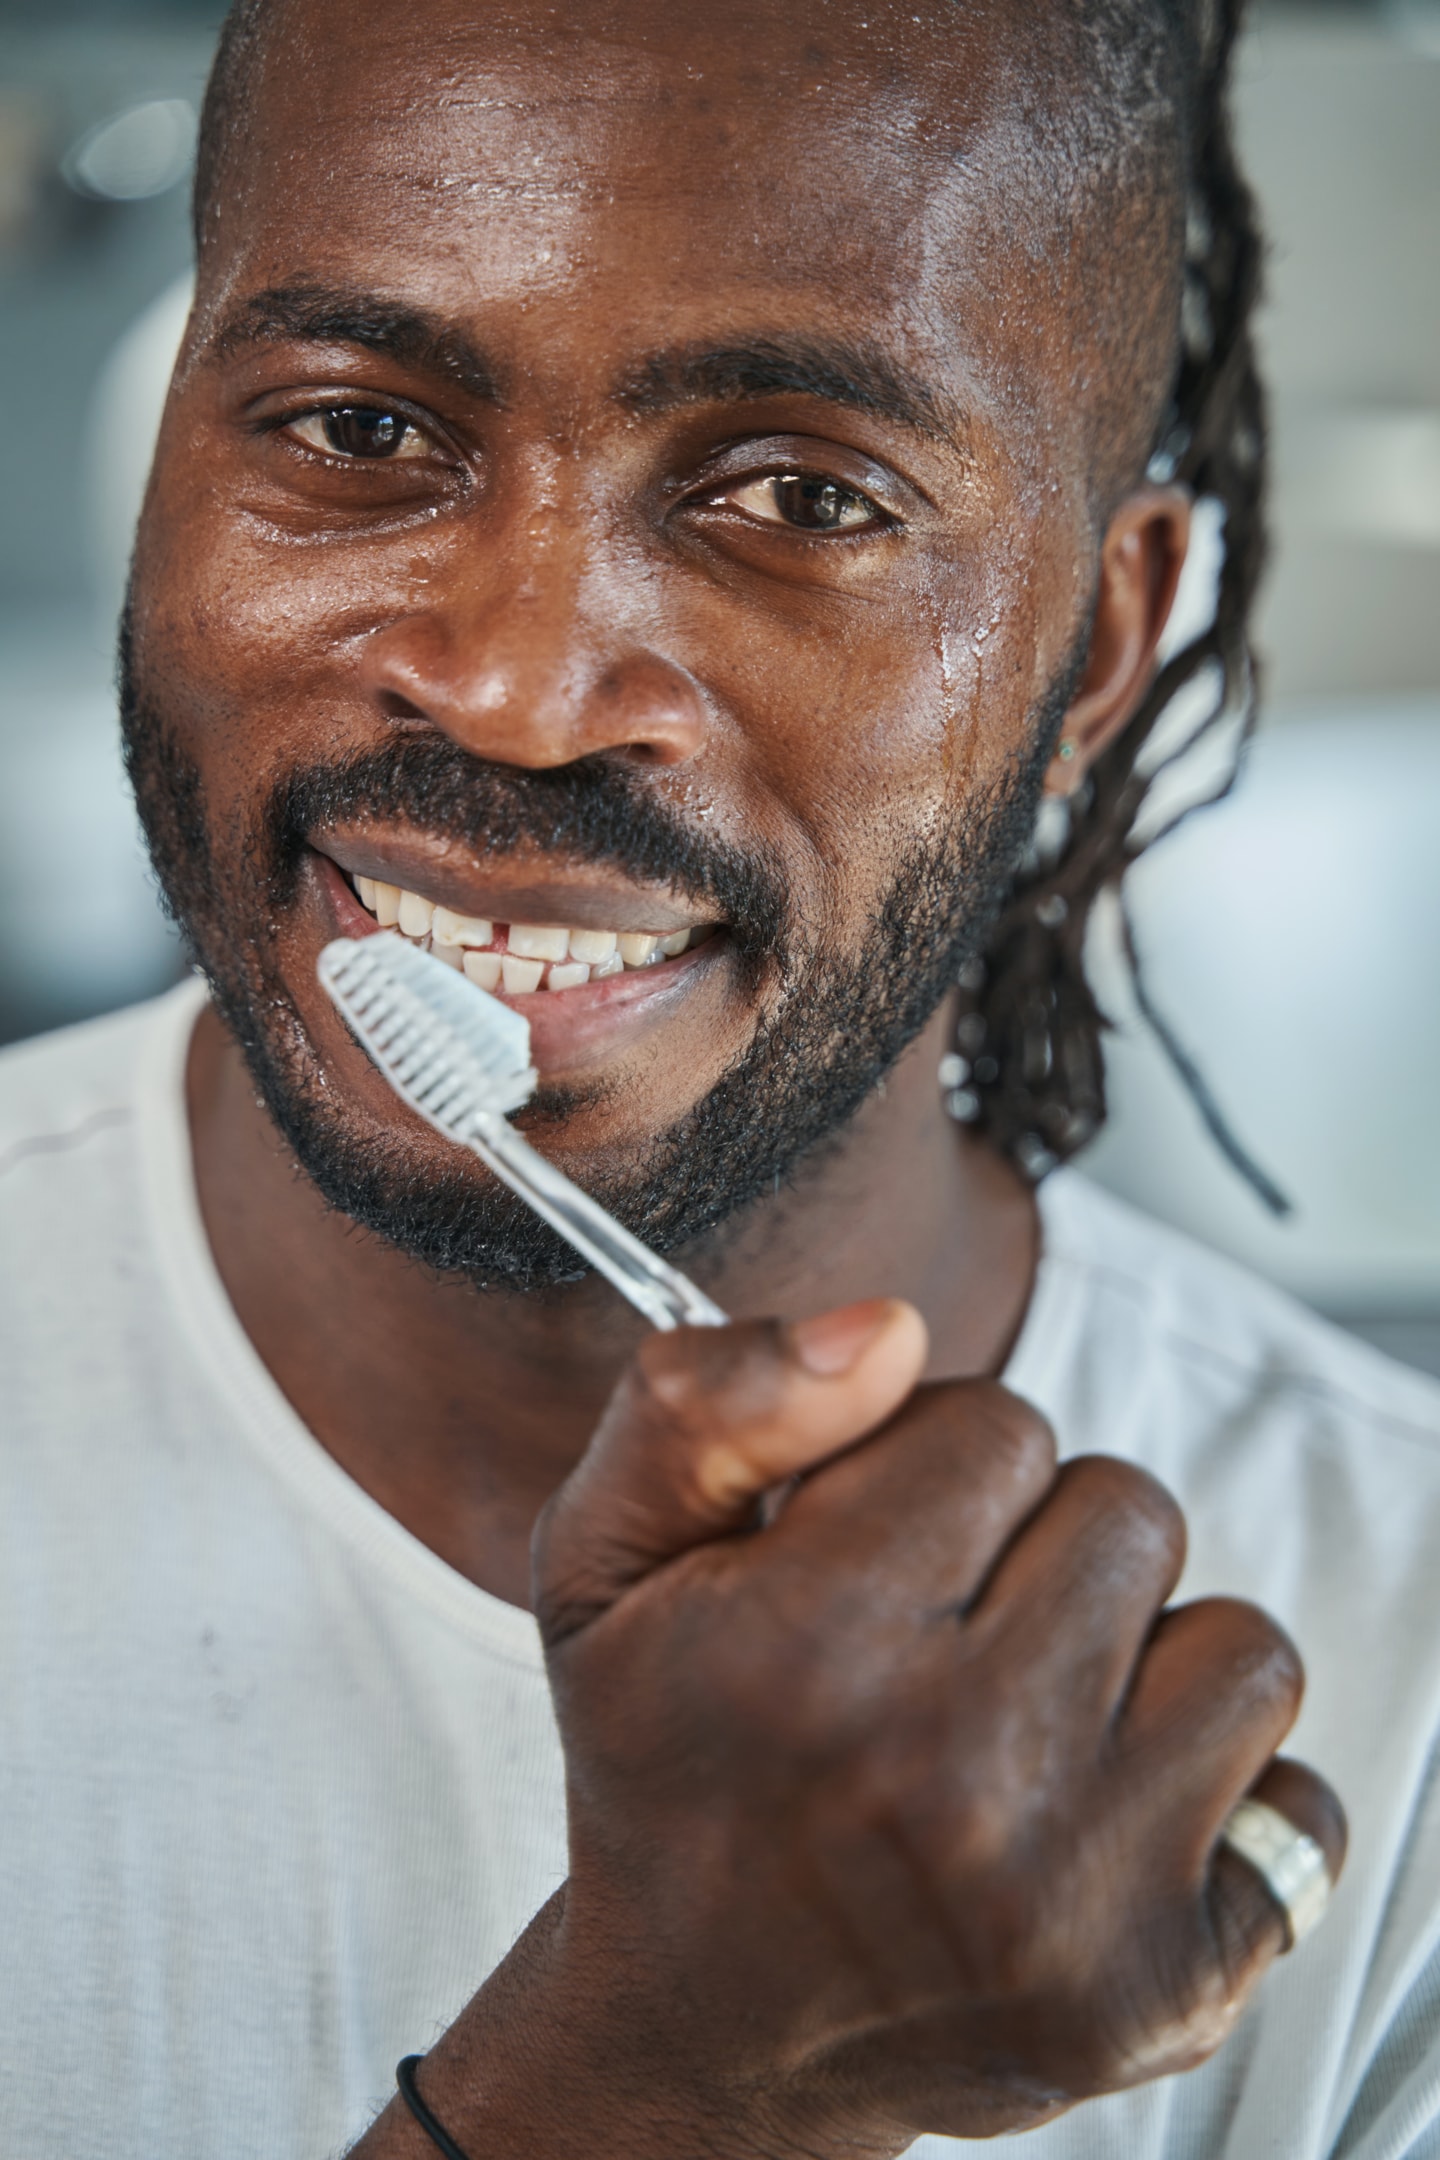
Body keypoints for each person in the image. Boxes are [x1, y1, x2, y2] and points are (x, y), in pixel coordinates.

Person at [3, 0, 1438, 2153]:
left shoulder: (1406, 1662)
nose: (510, 687)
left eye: (802, 491)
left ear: (1099, 651)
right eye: (361, 432)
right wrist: (674, 2076)